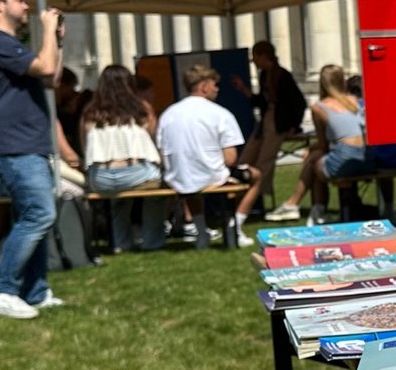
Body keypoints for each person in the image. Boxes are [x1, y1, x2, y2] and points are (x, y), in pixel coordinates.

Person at [0, 0, 64, 320]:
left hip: (27, 142)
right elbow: (46, 66)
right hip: (13, 144)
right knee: (39, 214)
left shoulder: (11, 46)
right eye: (20, 0)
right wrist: (47, 29)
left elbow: (51, 78)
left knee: (34, 216)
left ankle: (35, 292)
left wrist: (54, 39)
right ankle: (1, 290)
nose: (27, 6)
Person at [156, 63, 256, 247]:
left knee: (192, 183)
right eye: (214, 85)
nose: (217, 89)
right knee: (255, 176)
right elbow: (230, 159)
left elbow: (162, 154)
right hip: (212, 176)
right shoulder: (220, 114)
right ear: (204, 87)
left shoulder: (167, 114)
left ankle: (201, 231)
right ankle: (235, 226)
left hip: (177, 176)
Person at [81, 64, 166, 253]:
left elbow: (85, 146)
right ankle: (152, 241)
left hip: (101, 178)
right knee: (156, 196)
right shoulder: (142, 109)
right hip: (139, 174)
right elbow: (154, 139)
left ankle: (122, 243)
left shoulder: (90, 112)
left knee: (117, 199)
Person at [274, 64, 369, 224]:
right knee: (317, 158)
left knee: (315, 158)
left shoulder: (319, 107)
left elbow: (323, 144)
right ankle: (310, 209)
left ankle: (300, 205)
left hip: (345, 158)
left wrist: (310, 150)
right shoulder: (353, 101)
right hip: (366, 157)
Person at [234, 40, 309, 223]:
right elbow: (263, 101)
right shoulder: (264, 75)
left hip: (277, 124)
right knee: (246, 159)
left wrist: (293, 126)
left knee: (264, 163)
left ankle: (251, 199)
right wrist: (245, 91)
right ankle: (241, 197)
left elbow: (298, 102)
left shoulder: (282, 75)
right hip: (266, 123)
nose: (253, 60)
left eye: (255, 56)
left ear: (263, 56)